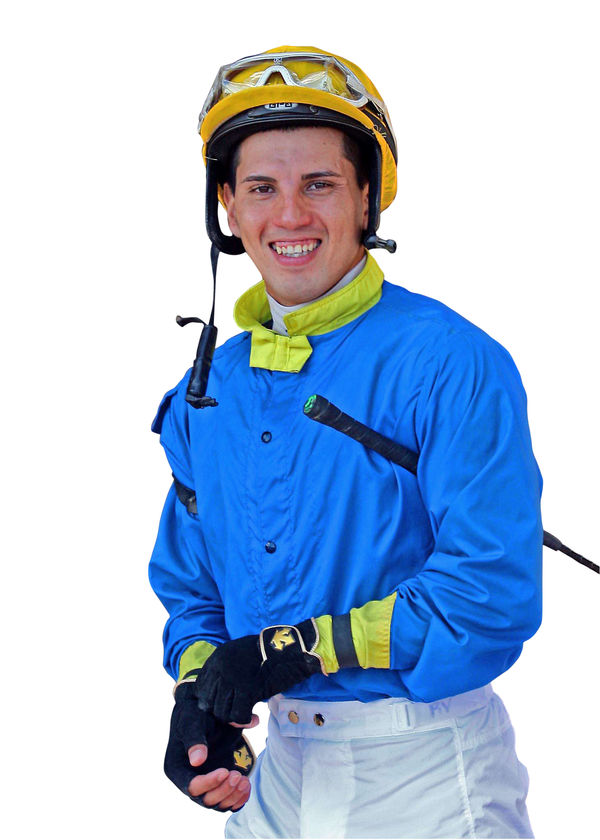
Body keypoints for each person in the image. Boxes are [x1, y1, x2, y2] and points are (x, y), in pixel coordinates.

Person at [149, 47, 542, 838]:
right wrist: (200, 694)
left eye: (319, 184)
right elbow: (192, 588)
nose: (290, 215)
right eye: (262, 188)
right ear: (228, 207)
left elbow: (491, 590)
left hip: (427, 776)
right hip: (280, 782)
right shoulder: (208, 392)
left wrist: (305, 646)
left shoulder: (450, 361)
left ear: (367, 198)